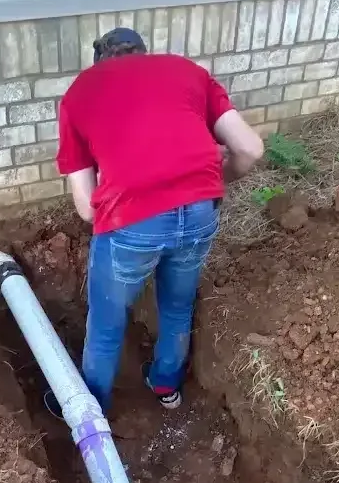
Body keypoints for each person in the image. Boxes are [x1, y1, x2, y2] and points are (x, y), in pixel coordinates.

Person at [56, 25, 264, 411]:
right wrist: (210, 183)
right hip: (201, 211)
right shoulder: (187, 71)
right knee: (177, 306)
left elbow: (86, 208)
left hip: (133, 219)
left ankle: (91, 412)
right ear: (144, 52)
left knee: (106, 321)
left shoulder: (82, 90)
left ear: (99, 62)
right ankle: (166, 385)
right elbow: (250, 148)